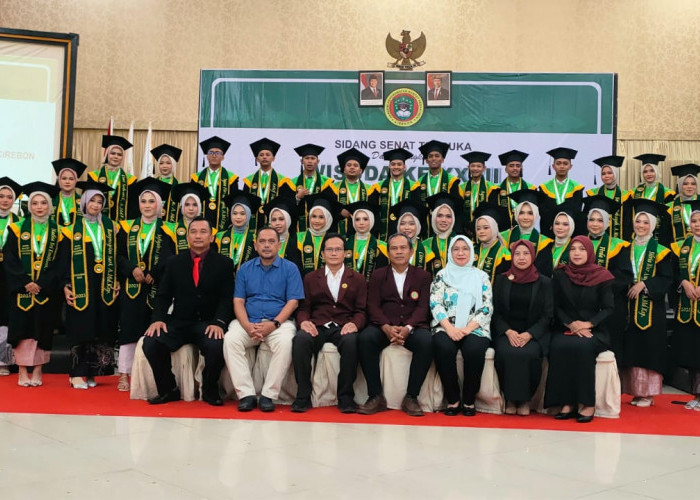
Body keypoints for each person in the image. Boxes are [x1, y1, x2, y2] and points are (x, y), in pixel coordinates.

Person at [142, 216, 234, 405]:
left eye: (203, 232)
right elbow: (163, 295)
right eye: (193, 232)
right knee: (151, 342)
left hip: (207, 323)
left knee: (216, 345)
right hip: (180, 322)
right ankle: (168, 390)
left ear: (211, 237)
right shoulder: (174, 262)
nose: (198, 236)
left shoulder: (224, 263)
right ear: (187, 236)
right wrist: (158, 319)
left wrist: (219, 322)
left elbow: (227, 298)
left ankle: (209, 389)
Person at [224, 227, 305, 412]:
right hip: (249, 322)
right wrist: (247, 326)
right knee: (230, 340)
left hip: (278, 323)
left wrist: (274, 324)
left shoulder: (290, 268)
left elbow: (293, 302)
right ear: (255, 245)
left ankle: (268, 395)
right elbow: (238, 301)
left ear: (279, 245)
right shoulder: (245, 269)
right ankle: (246, 394)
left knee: (286, 342)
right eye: (262, 241)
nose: (266, 245)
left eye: (271, 241)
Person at [357, 233, 433, 416]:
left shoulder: (423, 276)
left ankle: (411, 397)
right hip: (383, 326)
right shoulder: (378, 275)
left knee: (426, 342)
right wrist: (385, 326)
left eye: (403, 248)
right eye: (394, 248)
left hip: (412, 327)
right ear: (388, 253)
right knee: (365, 339)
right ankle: (375, 396)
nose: (399, 252)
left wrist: (408, 328)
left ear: (411, 251)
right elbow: (372, 305)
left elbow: (423, 307)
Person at [291, 233, 367, 413]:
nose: (333, 253)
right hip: (317, 325)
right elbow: (303, 308)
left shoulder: (357, 278)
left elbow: (361, 311)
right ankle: (302, 396)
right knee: (300, 340)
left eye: (338, 249)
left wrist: (355, 324)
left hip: (343, 326)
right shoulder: (311, 278)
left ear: (346, 253)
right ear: (323, 253)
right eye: (329, 249)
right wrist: (304, 322)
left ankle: (346, 397)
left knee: (351, 342)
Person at [545, 236, 615, 423]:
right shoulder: (560, 274)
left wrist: (588, 324)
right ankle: (566, 402)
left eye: (582, 249)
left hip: (593, 329)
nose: (577, 253)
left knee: (583, 347)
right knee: (558, 345)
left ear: (589, 252)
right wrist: (571, 324)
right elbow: (555, 305)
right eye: (573, 249)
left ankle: (587, 403)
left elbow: (608, 308)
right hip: (566, 325)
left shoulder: (602, 276)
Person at [60, 181, 120, 389]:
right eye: (92, 201)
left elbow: (118, 257)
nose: (95, 205)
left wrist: (117, 279)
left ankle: (93, 372)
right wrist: (65, 285)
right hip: (81, 285)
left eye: (99, 201)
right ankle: (76, 374)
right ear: (84, 203)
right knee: (81, 328)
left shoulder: (111, 228)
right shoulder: (71, 230)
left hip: (103, 285)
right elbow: (64, 261)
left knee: (100, 328)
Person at [117, 178, 174, 392]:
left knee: (152, 331)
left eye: (152, 201)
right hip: (131, 287)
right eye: (143, 201)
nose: (147, 205)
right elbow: (118, 255)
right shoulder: (126, 227)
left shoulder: (168, 229)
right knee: (129, 329)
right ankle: (124, 374)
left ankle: (149, 374)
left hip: (156, 288)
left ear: (159, 204)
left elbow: (169, 257)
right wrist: (132, 269)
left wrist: (154, 273)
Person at [5, 182, 63, 387]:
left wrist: (42, 283)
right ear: (29, 206)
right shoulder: (16, 228)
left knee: (43, 331)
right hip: (21, 290)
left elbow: (60, 263)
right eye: (35, 203)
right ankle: (22, 371)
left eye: (43, 203)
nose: (39, 207)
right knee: (22, 331)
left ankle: (38, 371)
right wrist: (25, 281)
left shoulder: (59, 232)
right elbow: (10, 258)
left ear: (50, 206)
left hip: (46, 291)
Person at [431, 235, 492, 417]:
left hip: (474, 327)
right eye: (456, 249)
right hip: (446, 326)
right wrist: (450, 329)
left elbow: (487, 307)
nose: (460, 253)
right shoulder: (442, 275)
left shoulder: (481, 276)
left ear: (472, 252)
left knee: (474, 349)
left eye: (465, 249)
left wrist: (467, 329)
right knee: (443, 347)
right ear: (450, 252)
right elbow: (435, 303)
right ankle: (453, 399)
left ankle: (469, 400)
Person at [492, 239, 553, 415]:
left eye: (526, 253)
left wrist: (529, 334)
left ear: (533, 256)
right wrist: (508, 331)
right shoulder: (501, 280)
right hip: (507, 331)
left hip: (533, 333)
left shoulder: (544, 282)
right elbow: (495, 312)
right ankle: (510, 399)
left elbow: (548, 315)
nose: (521, 257)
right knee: (506, 352)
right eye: (517, 254)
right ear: (512, 256)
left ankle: (525, 400)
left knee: (529, 353)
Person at [623, 200, 673, 408]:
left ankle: (648, 394)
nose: (641, 226)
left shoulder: (661, 251)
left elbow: (666, 278)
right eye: (638, 221)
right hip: (628, 305)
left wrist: (644, 284)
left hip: (651, 308)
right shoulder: (625, 247)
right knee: (632, 348)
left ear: (652, 225)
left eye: (645, 222)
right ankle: (636, 392)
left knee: (649, 348)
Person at [583, 195, 634, 361]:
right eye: (592, 219)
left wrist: (601, 287)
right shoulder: (578, 244)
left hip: (611, 305)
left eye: (600, 220)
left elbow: (624, 275)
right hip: (584, 306)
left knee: (611, 348)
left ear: (607, 223)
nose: (595, 224)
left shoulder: (619, 246)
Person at [670, 200, 700, 409]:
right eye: (694, 221)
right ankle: (696, 395)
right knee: (692, 352)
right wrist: (684, 282)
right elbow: (674, 273)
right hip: (688, 307)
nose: (698, 224)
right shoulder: (682, 246)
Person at [411, 140, 460, 237]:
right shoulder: (418, 184)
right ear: (426, 160)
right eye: (430, 156)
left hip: (445, 225)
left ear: (442, 159)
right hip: (426, 227)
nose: (434, 158)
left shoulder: (452, 181)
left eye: (437, 156)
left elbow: (457, 208)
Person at [243, 138, 295, 229]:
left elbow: (286, 205)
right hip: (253, 224)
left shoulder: (283, 181)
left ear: (273, 158)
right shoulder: (249, 181)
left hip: (275, 224)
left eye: (268, 154)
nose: (264, 157)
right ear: (257, 159)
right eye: (261, 155)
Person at [500, 189, 554, 276]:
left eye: (530, 213)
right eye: (521, 213)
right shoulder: (503, 238)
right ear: (516, 214)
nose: (525, 217)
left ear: (536, 215)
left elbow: (545, 274)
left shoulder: (544, 243)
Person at [192, 136, 239, 232]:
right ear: (207, 156)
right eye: (211, 152)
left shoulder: (231, 179)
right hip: (201, 221)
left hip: (224, 223)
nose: (214, 155)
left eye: (217, 153)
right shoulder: (196, 178)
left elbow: (233, 203)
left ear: (223, 157)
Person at [0, 177, 22, 376]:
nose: (5, 200)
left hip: (8, 274)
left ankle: (3, 362)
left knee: (5, 316)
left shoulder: (19, 222)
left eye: (9, 197)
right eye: (1, 196)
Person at [88, 135, 136, 222]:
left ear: (123, 157)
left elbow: (132, 207)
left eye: (119, 154)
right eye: (112, 153)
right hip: (97, 223)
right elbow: (87, 202)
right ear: (107, 154)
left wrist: (126, 226)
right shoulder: (94, 176)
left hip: (121, 225)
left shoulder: (130, 180)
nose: (116, 157)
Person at [539, 147, 584, 238]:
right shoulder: (544, 188)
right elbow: (543, 211)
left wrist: (564, 224)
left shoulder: (577, 188)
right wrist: (554, 224)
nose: (562, 166)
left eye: (565, 163)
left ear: (570, 166)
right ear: (553, 166)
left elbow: (576, 211)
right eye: (558, 163)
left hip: (570, 231)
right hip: (549, 230)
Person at [215, 190, 260, 279]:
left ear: (248, 215)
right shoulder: (219, 237)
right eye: (234, 213)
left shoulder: (255, 240)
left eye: (242, 214)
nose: (238, 217)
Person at [587, 155, 632, 240]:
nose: (606, 176)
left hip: (618, 241)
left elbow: (628, 223)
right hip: (596, 240)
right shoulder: (593, 194)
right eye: (603, 174)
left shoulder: (625, 196)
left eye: (609, 173)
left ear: (615, 173)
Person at [373, 147, 414, 240]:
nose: (396, 167)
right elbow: (375, 213)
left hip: (405, 227)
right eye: (393, 164)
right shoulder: (378, 187)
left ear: (404, 167)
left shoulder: (413, 187)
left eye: (399, 164)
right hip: (384, 230)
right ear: (389, 166)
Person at [291, 144, 333, 232]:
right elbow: (287, 206)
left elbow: (330, 206)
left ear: (318, 161)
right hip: (298, 227)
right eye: (307, 158)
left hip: (321, 226)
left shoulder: (327, 182)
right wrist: (297, 197)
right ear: (301, 161)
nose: (309, 161)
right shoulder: (292, 183)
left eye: (313, 158)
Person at [331, 148, 373, 236]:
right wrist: (340, 212)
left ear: (361, 170)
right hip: (338, 233)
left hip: (362, 233)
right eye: (349, 165)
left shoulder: (370, 189)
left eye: (355, 165)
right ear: (344, 169)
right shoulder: (333, 188)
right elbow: (329, 210)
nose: (352, 167)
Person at [296, 192, 340, 275]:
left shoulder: (334, 239)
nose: (317, 221)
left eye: (321, 217)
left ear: (328, 219)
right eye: (314, 216)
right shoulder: (298, 238)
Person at [343, 201, 387, 281]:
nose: (361, 223)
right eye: (357, 219)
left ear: (372, 220)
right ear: (353, 222)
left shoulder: (382, 246)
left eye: (365, 219)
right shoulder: (343, 244)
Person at [163, 181, 210, 254]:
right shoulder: (171, 230)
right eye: (187, 204)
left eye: (195, 205)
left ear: (199, 207)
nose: (191, 208)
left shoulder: (209, 231)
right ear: (181, 207)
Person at [423, 193, 462, 277]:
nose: (444, 220)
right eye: (440, 215)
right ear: (434, 217)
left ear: (453, 219)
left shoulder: (462, 243)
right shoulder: (425, 244)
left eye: (448, 216)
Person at [492, 149, 535, 224]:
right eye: (511, 166)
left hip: (524, 227)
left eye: (518, 166)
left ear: (521, 168)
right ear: (506, 169)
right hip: (503, 228)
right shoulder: (496, 189)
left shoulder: (531, 189)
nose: (515, 168)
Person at [472, 203, 511, 283]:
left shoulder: (505, 254)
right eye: (478, 228)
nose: (481, 231)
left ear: (494, 228)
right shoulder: (472, 250)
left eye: (486, 228)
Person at [460, 151, 498, 229]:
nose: (475, 169)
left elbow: (492, 211)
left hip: (485, 227)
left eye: (479, 166)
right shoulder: (461, 188)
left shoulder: (492, 188)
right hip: (465, 228)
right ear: (468, 167)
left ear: (484, 168)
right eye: (473, 166)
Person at [263, 195, 302, 269]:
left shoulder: (297, 244)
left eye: (281, 219)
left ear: (288, 220)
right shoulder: (263, 244)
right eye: (274, 220)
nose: (277, 223)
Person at [390, 198, 430, 269]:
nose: (406, 227)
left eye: (411, 224)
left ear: (418, 226)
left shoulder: (428, 253)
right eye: (402, 223)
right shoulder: (388, 250)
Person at [666, 163, 700, 245]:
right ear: (680, 185)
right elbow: (666, 234)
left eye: (693, 183)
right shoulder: (670, 207)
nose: (689, 186)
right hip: (678, 248)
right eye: (685, 184)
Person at [151, 144, 182, 223]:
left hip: (172, 226)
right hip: (153, 225)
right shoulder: (151, 184)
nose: (164, 166)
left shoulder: (180, 186)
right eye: (161, 163)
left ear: (173, 165)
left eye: (168, 163)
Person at [52, 158, 87, 228]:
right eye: (64, 178)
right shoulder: (52, 200)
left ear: (76, 181)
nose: (67, 182)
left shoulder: (83, 201)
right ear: (59, 180)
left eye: (71, 179)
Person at [550, 201, 581, 269]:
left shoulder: (575, 249)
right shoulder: (546, 245)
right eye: (557, 223)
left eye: (565, 224)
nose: (560, 227)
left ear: (572, 227)